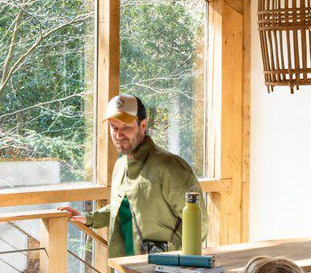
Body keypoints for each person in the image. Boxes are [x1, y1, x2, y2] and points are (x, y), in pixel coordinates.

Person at [57, 93, 207, 258]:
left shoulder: (170, 167)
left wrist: (176, 262)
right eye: (114, 127)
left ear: (143, 125)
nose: (119, 135)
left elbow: (200, 224)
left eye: (126, 127)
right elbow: (122, 208)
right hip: (124, 270)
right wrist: (90, 218)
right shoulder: (120, 166)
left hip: (163, 272)